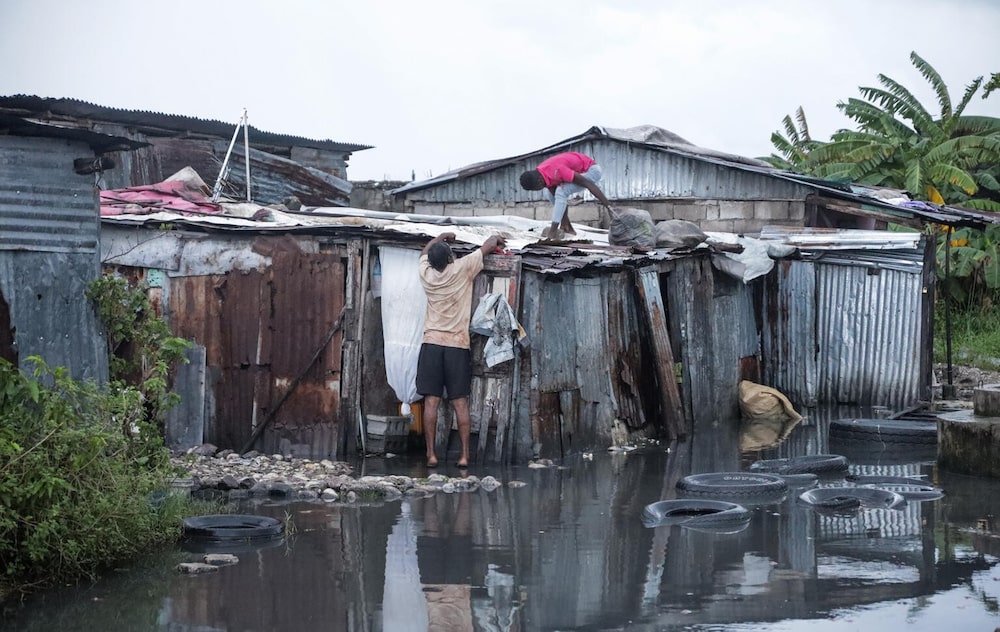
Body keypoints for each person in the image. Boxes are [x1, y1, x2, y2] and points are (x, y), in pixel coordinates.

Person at [417, 231, 506, 468]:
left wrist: (440, 236)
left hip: (432, 343)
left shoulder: (426, 275)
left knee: (431, 402)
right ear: (449, 259)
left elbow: (424, 253)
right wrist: (496, 237)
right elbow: (487, 246)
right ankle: (465, 456)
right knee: (460, 403)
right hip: (457, 345)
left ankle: (431, 455)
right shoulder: (461, 269)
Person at [519, 151, 613, 240]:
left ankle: (553, 231)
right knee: (552, 195)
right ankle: (567, 227)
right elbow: (560, 202)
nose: (538, 190)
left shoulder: (557, 170)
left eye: (536, 189)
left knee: (561, 191)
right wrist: (564, 222)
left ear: (539, 182)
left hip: (592, 171)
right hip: (577, 172)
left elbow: (588, 184)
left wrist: (609, 207)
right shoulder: (542, 175)